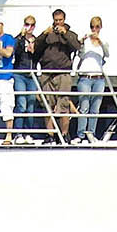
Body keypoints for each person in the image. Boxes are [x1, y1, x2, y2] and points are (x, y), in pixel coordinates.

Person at [35, 8, 80, 142]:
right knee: (47, 105)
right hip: (47, 73)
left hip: (63, 73)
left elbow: (76, 46)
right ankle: (50, 135)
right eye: (56, 21)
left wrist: (65, 34)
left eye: (60, 20)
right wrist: (44, 34)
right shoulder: (47, 34)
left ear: (64, 20)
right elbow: (36, 47)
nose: (58, 23)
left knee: (64, 105)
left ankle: (64, 135)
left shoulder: (70, 34)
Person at [74, 16, 109, 142]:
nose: (94, 29)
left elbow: (107, 54)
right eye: (92, 27)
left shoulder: (103, 42)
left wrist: (100, 40)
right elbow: (81, 54)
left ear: (100, 27)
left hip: (99, 78)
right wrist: (82, 42)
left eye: (97, 27)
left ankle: (91, 134)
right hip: (85, 77)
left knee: (95, 109)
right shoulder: (86, 41)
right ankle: (80, 135)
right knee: (84, 107)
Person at [11, 15, 41, 140]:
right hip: (19, 73)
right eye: (27, 24)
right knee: (21, 103)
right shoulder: (19, 38)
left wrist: (35, 51)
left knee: (31, 104)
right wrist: (20, 36)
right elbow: (13, 51)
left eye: (32, 25)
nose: (29, 27)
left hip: (32, 74)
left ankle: (28, 132)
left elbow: (40, 56)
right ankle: (18, 133)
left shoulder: (37, 40)